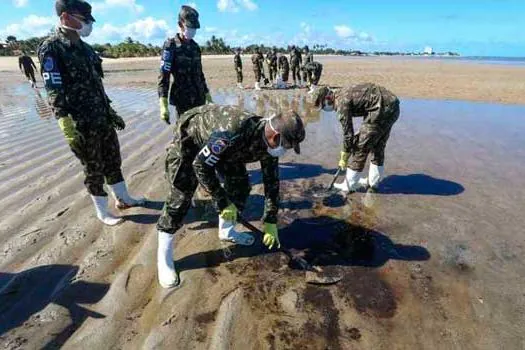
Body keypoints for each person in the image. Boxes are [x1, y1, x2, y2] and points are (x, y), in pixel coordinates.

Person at [156, 104, 306, 288]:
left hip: (229, 151)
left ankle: (226, 231)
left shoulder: (269, 145)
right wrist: (223, 202)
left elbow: (271, 182)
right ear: (276, 137)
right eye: (288, 145)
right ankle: (163, 259)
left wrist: (270, 220)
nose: (287, 150)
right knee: (180, 196)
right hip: (192, 137)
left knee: (240, 186)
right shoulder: (231, 133)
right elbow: (200, 166)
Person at [38, 0, 144, 226]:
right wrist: (64, 122)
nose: (88, 25)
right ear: (66, 17)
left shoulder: (86, 49)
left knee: (113, 160)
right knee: (93, 167)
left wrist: (110, 111)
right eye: (84, 19)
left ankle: (123, 198)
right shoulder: (52, 48)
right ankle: (102, 211)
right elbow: (53, 88)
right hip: (81, 122)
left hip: (101, 117)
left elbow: (97, 85)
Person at [312, 83, 400, 192]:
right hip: (392, 105)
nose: (325, 109)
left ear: (327, 98)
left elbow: (348, 134)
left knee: (360, 147)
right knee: (378, 145)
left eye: (323, 106)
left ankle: (349, 185)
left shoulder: (341, 104)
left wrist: (344, 155)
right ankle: (373, 182)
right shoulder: (341, 93)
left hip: (381, 107)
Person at [158, 5, 212, 125]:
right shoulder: (170, 46)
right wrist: (163, 104)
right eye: (189, 26)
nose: (192, 30)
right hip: (183, 100)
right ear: (180, 24)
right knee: (185, 136)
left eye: (194, 28)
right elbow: (164, 77)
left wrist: (207, 94)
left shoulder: (195, 47)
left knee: (201, 132)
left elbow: (200, 74)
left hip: (199, 98)